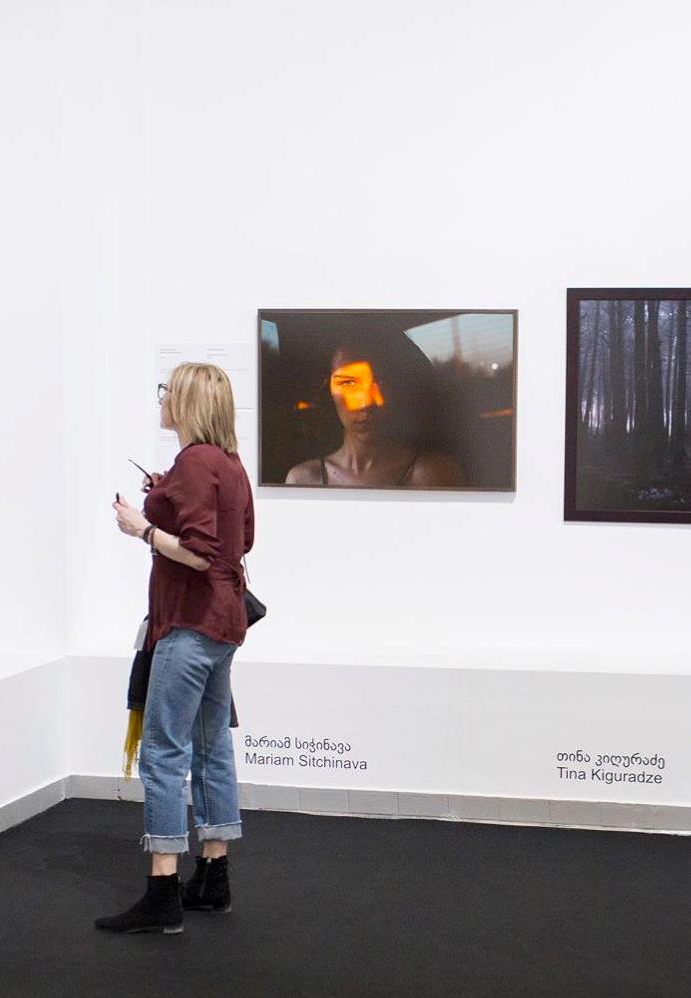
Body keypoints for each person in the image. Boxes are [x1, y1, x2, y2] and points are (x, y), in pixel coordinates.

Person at [98, 362, 255, 935]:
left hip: (188, 623)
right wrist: (165, 498)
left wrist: (141, 527)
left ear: (187, 402)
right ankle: (213, 877)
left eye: (168, 391)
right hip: (224, 623)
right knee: (211, 748)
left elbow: (199, 553)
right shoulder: (229, 464)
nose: (162, 399)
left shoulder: (194, 463)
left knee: (164, 753)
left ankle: (162, 889)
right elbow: (242, 540)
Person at [285, 335, 464, 488]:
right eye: (348, 383)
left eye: (380, 381)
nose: (366, 403)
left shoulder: (433, 475)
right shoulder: (303, 479)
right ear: (328, 391)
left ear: (399, 388)